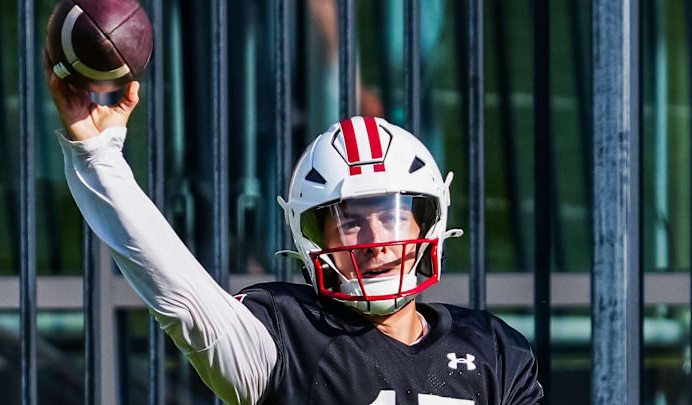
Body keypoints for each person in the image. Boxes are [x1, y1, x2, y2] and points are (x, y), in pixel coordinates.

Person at [46, 53, 543, 405]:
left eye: (391, 214)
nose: (374, 240)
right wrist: (99, 158)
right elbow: (179, 294)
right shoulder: (286, 336)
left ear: (428, 221)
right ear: (313, 239)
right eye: (349, 221)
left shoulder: (496, 353)